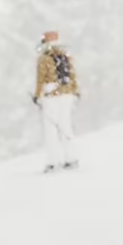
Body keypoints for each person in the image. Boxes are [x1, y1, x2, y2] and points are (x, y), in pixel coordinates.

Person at [33, 30, 81, 172]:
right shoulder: (65, 55)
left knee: (51, 130)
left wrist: (37, 95)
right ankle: (71, 159)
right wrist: (75, 91)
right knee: (66, 127)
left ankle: (53, 162)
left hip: (51, 94)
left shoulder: (44, 58)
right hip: (67, 94)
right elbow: (72, 76)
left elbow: (41, 79)